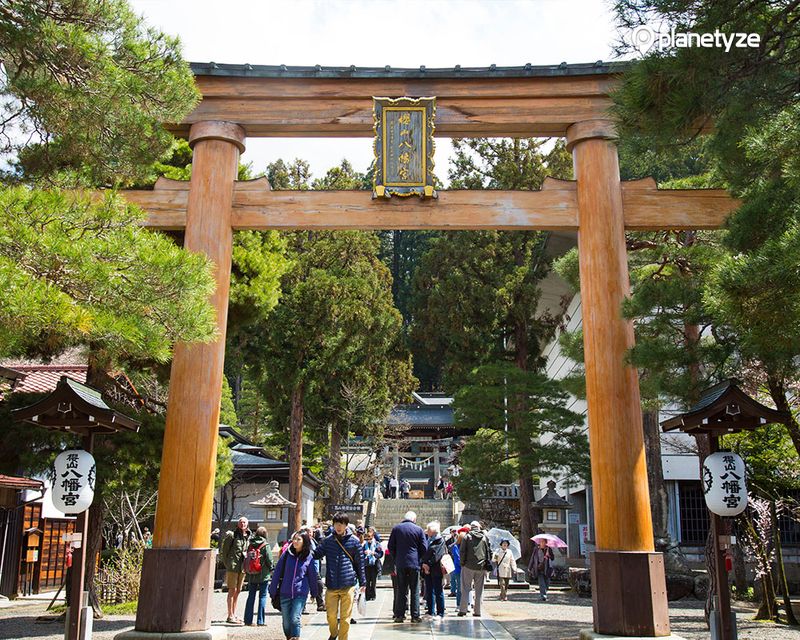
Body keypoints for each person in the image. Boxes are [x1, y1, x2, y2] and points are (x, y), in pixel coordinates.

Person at [312, 512, 366, 640]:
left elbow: (360, 563)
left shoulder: (354, 542)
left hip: (348, 584)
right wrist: (305, 546)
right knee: (331, 616)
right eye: (336, 523)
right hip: (331, 584)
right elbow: (316, 554)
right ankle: (334, 633)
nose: (338, 526)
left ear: (346, 525)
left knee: (345, 618)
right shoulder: (328, 541)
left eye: (341, 524)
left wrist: (363, 582)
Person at [269, 530, 319, 640]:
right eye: (294, 539)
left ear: (304, 542)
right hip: (284, 593)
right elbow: (277, 572)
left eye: (298, 539)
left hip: (300, 593)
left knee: (295, 619)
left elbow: (312, 576)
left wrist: (315, 593)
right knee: (286, 623)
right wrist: (272, 590)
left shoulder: (309, 557)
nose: (295, 541)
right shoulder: (286, 554)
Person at [387, 510, 427, 623]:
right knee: (414, 589)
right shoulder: (418, 529)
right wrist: (418, 558)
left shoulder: (396, 528)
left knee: (401, 589)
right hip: (414, 563)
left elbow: (391, 546)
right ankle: (415, 615)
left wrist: (396, 557)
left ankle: (400, 615)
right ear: (414, 519)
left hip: (400, 562)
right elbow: (424, 547)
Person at [220, 516, 252, 625]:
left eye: (244, 522)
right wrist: (228, 564)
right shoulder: (232, 535)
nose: (242, 524)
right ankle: (229, 615)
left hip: (242, 567)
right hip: (233, 566)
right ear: (238, 524)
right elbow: (224, 552)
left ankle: (234, 613)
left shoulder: (248, 536)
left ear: (247, 524)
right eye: (241, 522)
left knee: (238, 591)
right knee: (231, 590)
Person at [458, 521, 491, 618]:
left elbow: (462, 551)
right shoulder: (484, 537)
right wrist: (486, 564)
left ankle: (463, 610)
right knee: (479, 590)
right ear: (479, 527)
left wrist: (462, 563)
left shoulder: (467, 537)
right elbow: (487, 551)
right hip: (480, 567)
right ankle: (478, 611)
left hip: (468, 566)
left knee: (465, 588)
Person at [243, 526, 274, 626]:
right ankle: (260, 621)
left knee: (251, 597)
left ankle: (248, 620)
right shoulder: (265, 545)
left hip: (252, 574)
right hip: (263, 574)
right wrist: (271, 568)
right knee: (262, 597)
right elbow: (269, 560)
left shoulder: (250, 544)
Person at [421, 521, 446, 620]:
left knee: (438, 590)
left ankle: (440, 613)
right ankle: (431, 611)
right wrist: (423, 564)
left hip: (436, 569)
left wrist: (428, 564)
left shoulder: (440, 540)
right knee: (429, 590)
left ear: (433, 531)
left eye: (428, 530)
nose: (427, 532)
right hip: (427, 569)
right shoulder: (428, 539)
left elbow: (437, 555)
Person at [362, 528, 383, 601]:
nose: (368, 540)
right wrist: (364, 553)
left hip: (374, 565)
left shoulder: (377, 544)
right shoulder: (365, 545)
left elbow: (380, 554)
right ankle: (367, 595)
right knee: (367, 581)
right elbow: (361, 554)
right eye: (367, 539)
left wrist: (374, 553)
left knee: (373, 581)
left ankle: (373, 595)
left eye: (370, 538)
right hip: (367, 564)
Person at [446, 529, 463, 606]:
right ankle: (453, 591)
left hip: (460, 565)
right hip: (453, 562)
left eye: (455, 531)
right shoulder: (450, 541)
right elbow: (448, 547)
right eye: (453, 531)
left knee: (461, 584)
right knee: (453, 578)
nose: (454, 533)